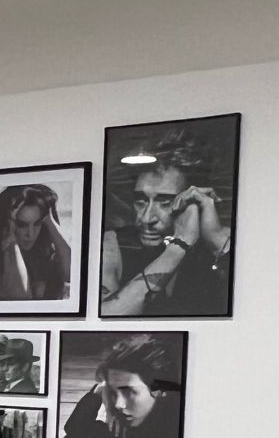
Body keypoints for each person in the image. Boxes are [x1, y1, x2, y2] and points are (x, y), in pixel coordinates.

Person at [99, 131, 232, 316]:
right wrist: (179, 245)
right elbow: (106, 317)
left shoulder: (220, 242)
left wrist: (216, 236)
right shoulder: (112, 245)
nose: (147, 219)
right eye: (140, 201)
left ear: (193, 201)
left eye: (165, 202)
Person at [0, 183, 72, 302]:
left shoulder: (46, 255)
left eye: (37, 224)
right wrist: (10, 237)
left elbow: (74, 274)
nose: (30, 234)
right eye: (22, 225)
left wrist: (49, 220)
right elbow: (20, 297)